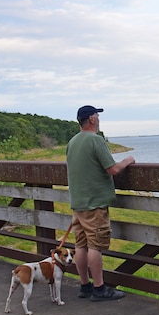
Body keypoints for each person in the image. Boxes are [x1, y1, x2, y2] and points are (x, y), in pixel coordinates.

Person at [66, 105, 135, 301]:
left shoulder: (72, 141)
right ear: (92, 119)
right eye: (97, 114)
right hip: (94, 203)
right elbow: (112, 169)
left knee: (81, 245)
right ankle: (99, 289)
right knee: (95, 246)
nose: (98, 117)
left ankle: (85, 286)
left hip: (77, 203)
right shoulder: (96, 140)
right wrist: (128, 160)